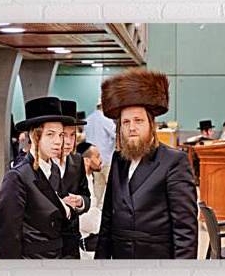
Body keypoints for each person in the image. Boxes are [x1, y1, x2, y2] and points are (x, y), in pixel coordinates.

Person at [95, 68, 198, 259]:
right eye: (125, 122)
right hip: (120, 258)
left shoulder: (174, 161)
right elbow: (107, 217)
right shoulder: (119, 159)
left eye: (138, 121)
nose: (131, 128)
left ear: (152, 125)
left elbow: (185, 229)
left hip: (155, 259)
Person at [0, 97, 77, 259]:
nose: (58, 142)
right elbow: (7, 234)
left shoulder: (54, 170)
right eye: (50, 135)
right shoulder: (17, 177)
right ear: (33, 136)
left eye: (60, 135)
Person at [58, 100, 92, 258]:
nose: (69, 141)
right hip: (46, 243)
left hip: (71, 240)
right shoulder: (37, 165)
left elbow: (86, 196)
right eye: (64, 135)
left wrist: (80, 201)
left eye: (73, 135)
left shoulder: (77, 161)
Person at [75, 141, 105, 257]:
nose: (100, 160)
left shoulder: (91, 178)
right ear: (86, 161)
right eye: (97, 157)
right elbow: (84, 217)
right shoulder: (78, 183)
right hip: (84, 244)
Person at [84, 102, 116, 197]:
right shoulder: (106, 119)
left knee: (97, 185)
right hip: (106, 159)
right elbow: (115, 134)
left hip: (92, 159)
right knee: (111, 187)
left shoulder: (88, 119)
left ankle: (97, 208)